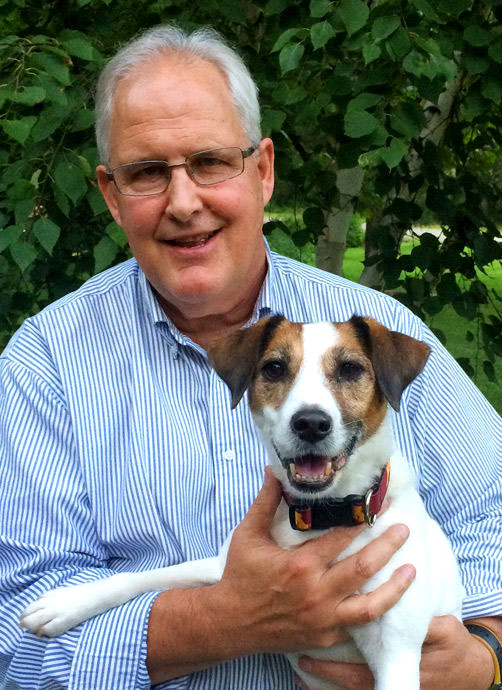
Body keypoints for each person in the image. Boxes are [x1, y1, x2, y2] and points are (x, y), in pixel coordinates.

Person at [0, 24, 500, 690]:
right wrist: (225, 620)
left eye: (210, 162)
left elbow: (491, 508)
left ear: (262, 171)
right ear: (111, 195)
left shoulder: (378, 336)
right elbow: (18, 638)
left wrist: (485, 655)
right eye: (148, 173)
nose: (184, 203)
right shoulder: (46, 365)